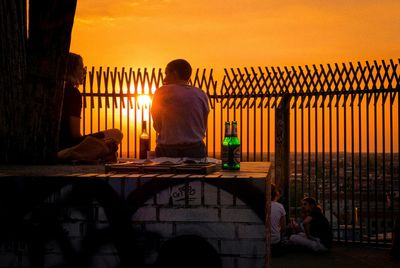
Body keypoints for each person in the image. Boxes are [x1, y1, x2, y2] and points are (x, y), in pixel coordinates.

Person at [57, 52, 123, 162]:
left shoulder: (58, 90)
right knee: (116, 134)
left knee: (104, 147)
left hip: (59, 144)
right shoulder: (73, 93)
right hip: (68, 146)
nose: (83, 71)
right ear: (71, 70)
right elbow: (74, 135)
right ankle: (78, 155)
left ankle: (100, 154)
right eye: (81, 68)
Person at [151, 59, 209, 158]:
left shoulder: (161, 93)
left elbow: (157, 126)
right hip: (196, 149)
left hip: (167, 149)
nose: (164, 79)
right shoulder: (201, 93)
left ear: (174, 73)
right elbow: (203, 124)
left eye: (166, 73)